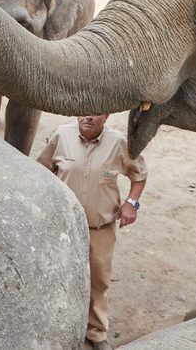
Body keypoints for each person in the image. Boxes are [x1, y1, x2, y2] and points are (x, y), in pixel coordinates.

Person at [37, 114, 147, 350]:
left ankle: (96, 335)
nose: (88, 116)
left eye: (96, 112)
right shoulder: (61, 136)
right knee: (59, 278)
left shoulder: (119, 143)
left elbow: (139, 175)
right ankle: (59, 330)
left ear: (106, 116)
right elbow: (41, 170)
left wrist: (131, 203)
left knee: (98, 282)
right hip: (64, 228)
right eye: (84, 110)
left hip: (101, 229)